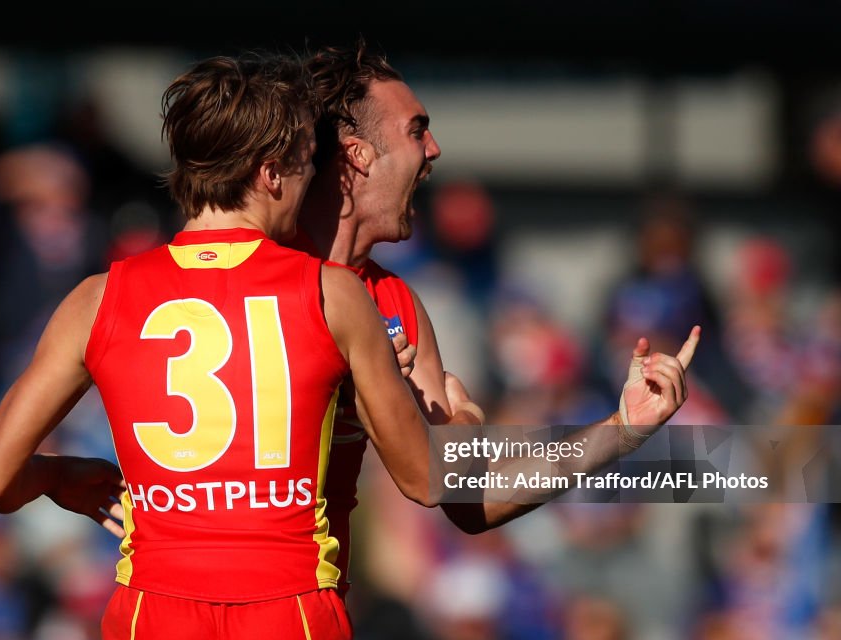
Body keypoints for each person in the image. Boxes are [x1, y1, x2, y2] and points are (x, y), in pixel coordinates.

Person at [0, 53, 482, 640]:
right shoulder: (338, 295)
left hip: (157, 613)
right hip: (287, 612)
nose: (313, 179)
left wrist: (59, 476)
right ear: (270, 173)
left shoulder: (99, 298)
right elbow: (432, 479)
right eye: (305, 162)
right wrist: (469, 420)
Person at [295, 41, 701, 538]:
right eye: (416, 130)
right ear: (358, 154)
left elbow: (470, 498)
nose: (433, 149)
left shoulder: (395, 301)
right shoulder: (257, 266)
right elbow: (425, 477)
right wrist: (467, 418)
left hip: (315, 589)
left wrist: (622, 429)